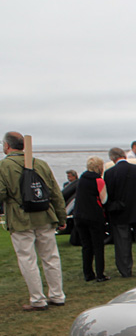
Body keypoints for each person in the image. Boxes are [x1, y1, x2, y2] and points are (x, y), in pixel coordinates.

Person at [0, 131, 66, 311]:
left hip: (20, 219)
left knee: (27, 259)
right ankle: (57, 294)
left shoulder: (4, 166)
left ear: (7, 145)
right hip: (45, 215)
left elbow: (1, 193)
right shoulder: (41, 164)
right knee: (51, 256)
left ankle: (38, 299)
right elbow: (55, 193)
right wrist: (61, 216)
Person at [104, 146, 136, 277]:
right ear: (124, 156)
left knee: (122, 244)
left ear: (112, 158)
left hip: (120, 211)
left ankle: (125, 270)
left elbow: (108, 194)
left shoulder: (110, 173)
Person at [75, 156, 109, 282]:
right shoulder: (98, 180)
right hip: (94, 215)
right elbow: (104, 199)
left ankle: (88, 273)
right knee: (98, 245)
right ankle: (100, 274)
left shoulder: (81, 179)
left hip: (79, 215)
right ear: (100, 167)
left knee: (86, 245)